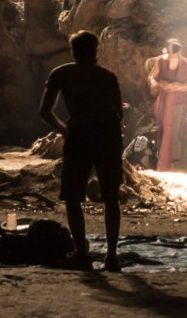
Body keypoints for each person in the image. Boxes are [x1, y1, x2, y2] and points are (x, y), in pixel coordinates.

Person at [39, 30, 125, 272]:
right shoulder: (108, 76)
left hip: (80, 134)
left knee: (73, 195)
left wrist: (65, 129)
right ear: (95, 51)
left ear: (73, 51)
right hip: (108, 134)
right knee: (111, 196)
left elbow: (44, 111)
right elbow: (119, 113)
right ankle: (112, 257)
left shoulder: (61, 73)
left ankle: (81, 254)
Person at [144, 39, 187, 171]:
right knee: (162, 130)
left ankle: (174, 162)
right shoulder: (161, 61)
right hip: (163, 101)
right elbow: (151, 77)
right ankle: (160, 160)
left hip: (178, 103)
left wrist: (178, 86)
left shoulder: (185, 64)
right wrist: (154, 83)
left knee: (175, 132)